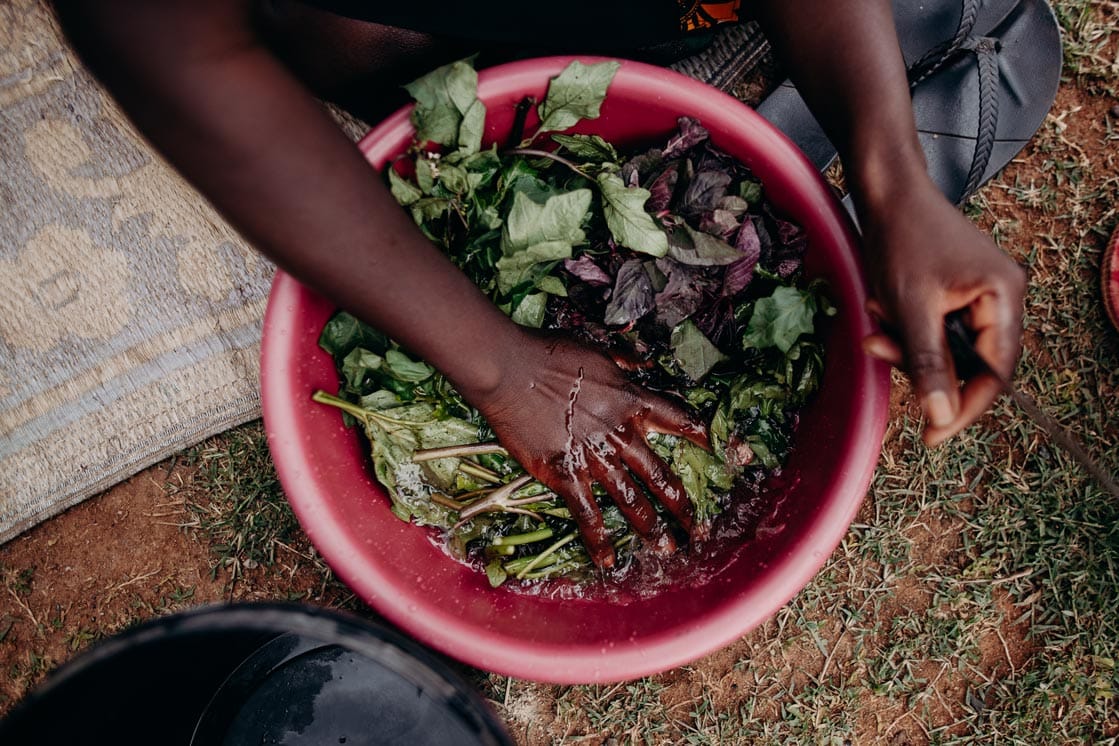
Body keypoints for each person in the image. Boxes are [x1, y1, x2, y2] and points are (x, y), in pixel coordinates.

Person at [52, 0, 1026, 568]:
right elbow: (165, 44)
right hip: (414, 36)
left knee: (1012, 41)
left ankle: (751, 146)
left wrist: (892, 176)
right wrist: (500, 368)